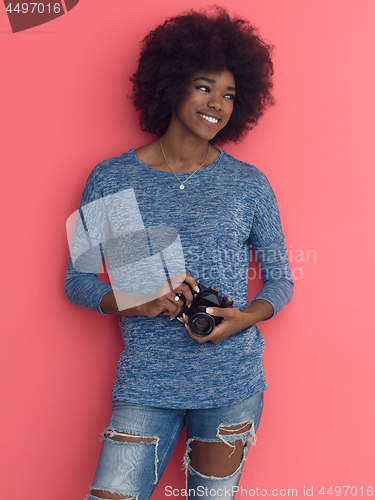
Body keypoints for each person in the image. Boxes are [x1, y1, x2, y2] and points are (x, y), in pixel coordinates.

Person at [65, 7, 294, 500]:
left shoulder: (248, 184)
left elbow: (281, 280)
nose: (218, 104)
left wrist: (246, 317)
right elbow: (77, 280)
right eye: (205, 86)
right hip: (146, 382)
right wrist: (141, 301)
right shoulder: (111, 179)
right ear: (171, 86)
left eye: (230, 94)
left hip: (232, 385)